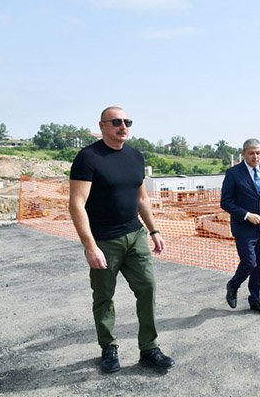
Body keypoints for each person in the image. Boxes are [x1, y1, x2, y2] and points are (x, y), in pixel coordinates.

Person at [69, 106, 174, 373]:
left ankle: (149, 349)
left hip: (135, 235)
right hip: (104, 240)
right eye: (116, 122)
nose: (123, 126)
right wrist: (90, 246)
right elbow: (76, 204)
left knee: (147, 288)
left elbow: (142, 198)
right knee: (104, 296)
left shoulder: (135, 156)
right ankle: (108, 347)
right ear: (102, 126)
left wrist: (154, 231)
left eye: (127, 121)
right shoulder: (88, 157)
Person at [221, 138, 260, 315]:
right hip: (243, 228)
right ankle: (233, 285)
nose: (255, 156)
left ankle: (256, 300)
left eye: (258, 153)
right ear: (243, 154)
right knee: (250, 263)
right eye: (251, 153)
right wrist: (247, 215)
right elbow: (225, 202)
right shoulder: (233, 173)